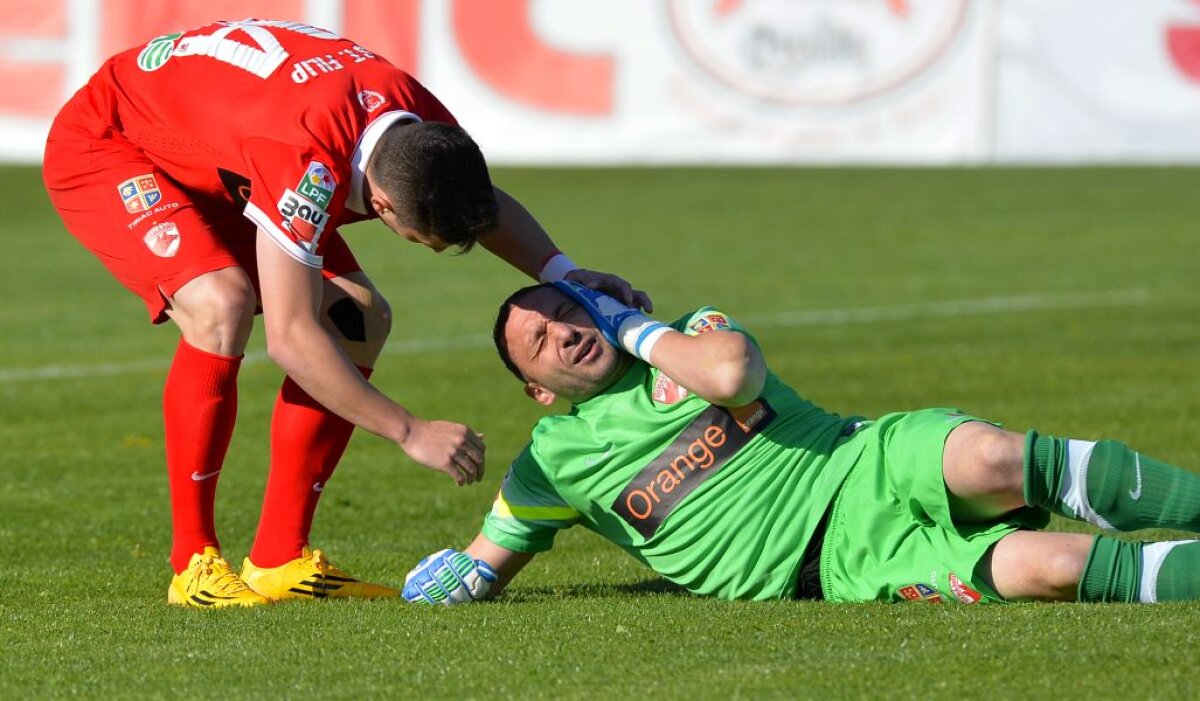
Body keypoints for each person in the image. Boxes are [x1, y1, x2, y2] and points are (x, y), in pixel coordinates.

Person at [42, 19, 648, 609]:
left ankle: (280, 558)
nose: (434, 250)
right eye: (423, 238)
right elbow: (289, 337)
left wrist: (567, 275)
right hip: (116, 143)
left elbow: (483, 205)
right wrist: (410, 431)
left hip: (225, 152)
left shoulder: (415, 118)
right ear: (380, 202)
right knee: (221, 305)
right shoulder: (308, 162)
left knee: (361, 319)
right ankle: (192, 563)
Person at [401, 281, 1200, 605]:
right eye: (540, 341)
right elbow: (483, 563)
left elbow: (734, 374)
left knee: (992, 456)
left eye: (567, 314)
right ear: (537, 391)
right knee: (1053, 568)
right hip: (844, 563)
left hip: (864, 458)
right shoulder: (551, 463)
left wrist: (634, 328)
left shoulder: (693, 334)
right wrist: (445, 582)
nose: (562, 334)